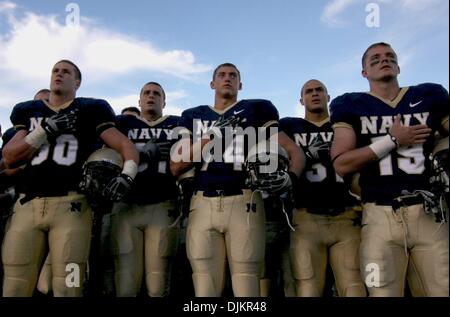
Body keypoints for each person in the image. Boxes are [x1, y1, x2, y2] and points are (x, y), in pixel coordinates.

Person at [1, 59, 139, 297]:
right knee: (15, 283)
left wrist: (127, 175)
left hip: (72, 207)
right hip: (27, 205)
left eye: (66, 71)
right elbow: (11, 157)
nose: (59, 74)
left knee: (70, 283)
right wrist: (45, 130)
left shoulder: (91, 109)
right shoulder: (28, 111)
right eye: (55, 70)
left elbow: (126, 146)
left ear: (77, 82)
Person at [170, 63, 304, 297]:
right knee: (205, 286)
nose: (227, 78)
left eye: (233, 75)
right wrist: (212, 134)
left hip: (244, 200)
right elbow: (177, 165)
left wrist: (291, 178)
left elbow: (294, 151)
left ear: (240, 84)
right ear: (212, 83)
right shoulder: (194, 115)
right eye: (221, 75)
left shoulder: (256, 110)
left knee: (246, 284)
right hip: (202, 203)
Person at [330, 42, 449, 297]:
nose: (383, 59)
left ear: (398, 65)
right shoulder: (351, 104)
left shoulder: (429, 95)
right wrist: (392, 140)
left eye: (389, 56)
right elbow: (341, 163)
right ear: (364, 72)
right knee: (382, 291)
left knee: (442, 289)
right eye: (375, 58)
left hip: (429, 211)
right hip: (379, 215)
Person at [280, 79, 366, 297]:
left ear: (328, 96)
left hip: (346, 215)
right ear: (301, 100)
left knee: (354, 286)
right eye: (309, 91)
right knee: (307, 288)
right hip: (306, 217)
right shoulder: (289, 126)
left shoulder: (344, 126)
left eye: (320, 90)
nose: (315, 94)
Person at [111, 82, 180, 297]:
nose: (151, 96)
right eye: (146, 93)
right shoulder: (122, 123)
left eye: (156, 93)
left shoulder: (177, 125)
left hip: (162, 204)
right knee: (126, 281)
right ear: (138, 100)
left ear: (164, 101)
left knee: (158, 283)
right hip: (126, 206)